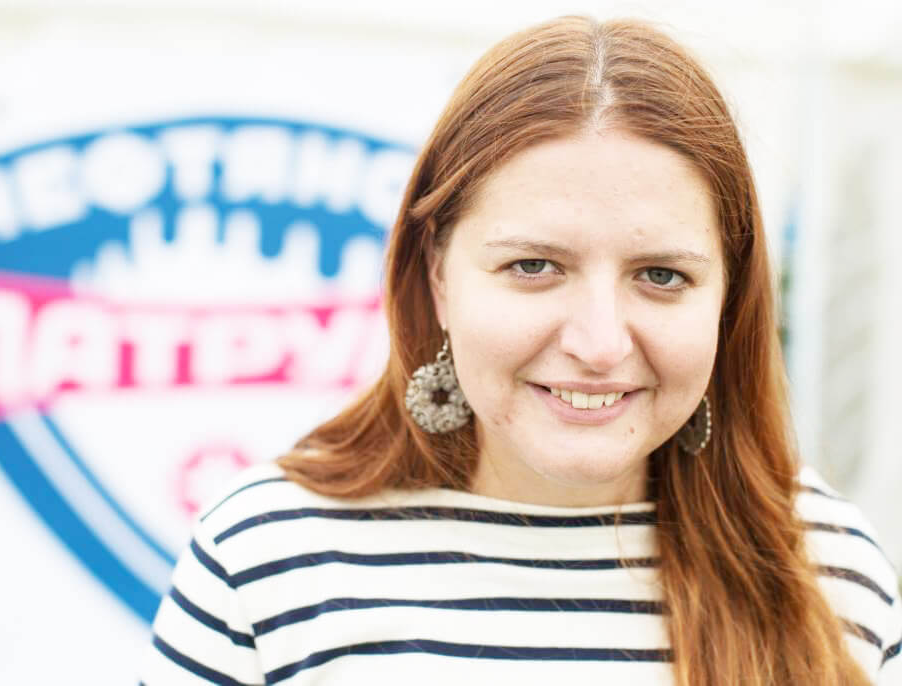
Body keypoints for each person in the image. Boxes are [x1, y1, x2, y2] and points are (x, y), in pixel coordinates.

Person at [140, 16, 902, 685]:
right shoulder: (269, 557)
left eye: (661, 276)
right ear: (438, 276)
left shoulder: (826, 569)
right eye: (534, 266)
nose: (599, 345)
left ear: (728, 298)